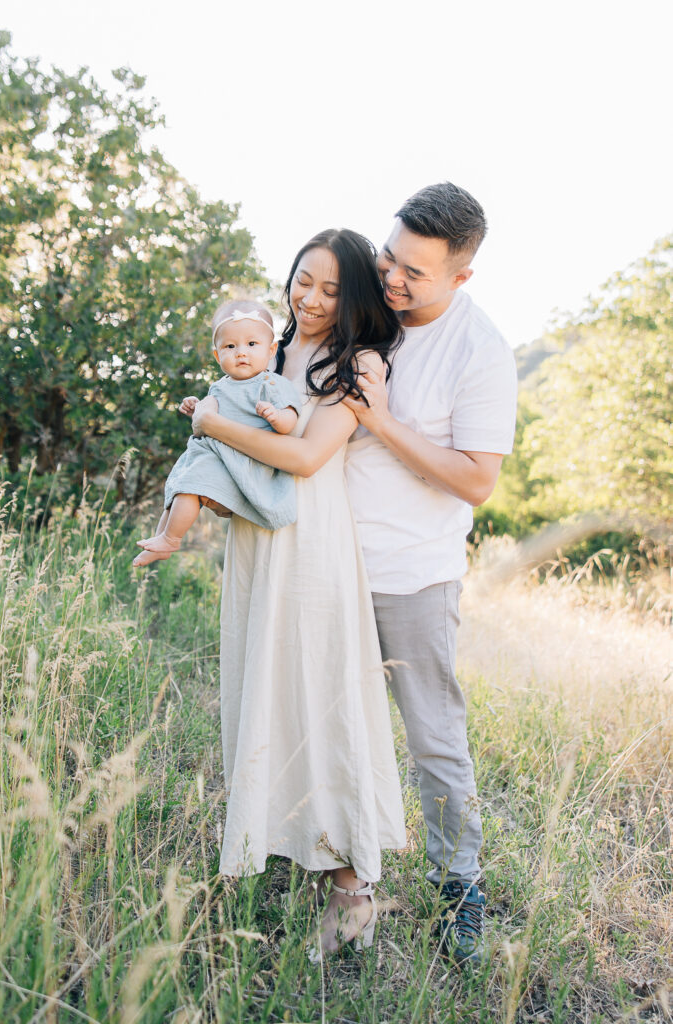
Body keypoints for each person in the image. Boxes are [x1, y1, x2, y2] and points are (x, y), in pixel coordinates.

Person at [191, 229, 407, 957]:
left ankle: (352, 888)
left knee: (322, 696)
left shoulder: (361, 362)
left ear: (354, 297)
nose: (310, 299)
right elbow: (235, 459)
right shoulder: (263, 349)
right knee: (269, 688)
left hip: (313, 549)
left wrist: (214, 423)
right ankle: (286, 841)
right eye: (301, 281)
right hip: (257, 541)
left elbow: (308, 456)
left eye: (329, 288)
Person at [343, 182, 517, 965]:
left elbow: (476, 479)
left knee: (434, 740)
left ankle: (458, 892)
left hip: (415, 576)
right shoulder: (364, 308)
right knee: (337, 726)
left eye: (415, 271)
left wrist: (382, 421)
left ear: (460, 277)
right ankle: (338, 872)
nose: (393, 279)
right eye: (388, 256)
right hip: (328, 566)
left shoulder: (480, 352)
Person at [133, 300, 302, 568]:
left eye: (251, 344)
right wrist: (195, 407)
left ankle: (171, 539)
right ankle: (161, 537)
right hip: (214, 453)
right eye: (230, 346)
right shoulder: (221, 386)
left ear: (271, 350)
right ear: (217, 355)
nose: (241, 353)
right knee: (178, 488)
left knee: (189, 490)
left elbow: (291, 418)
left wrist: (276, 416)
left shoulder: (271, 384)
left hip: (241, 457)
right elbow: (210, 417)